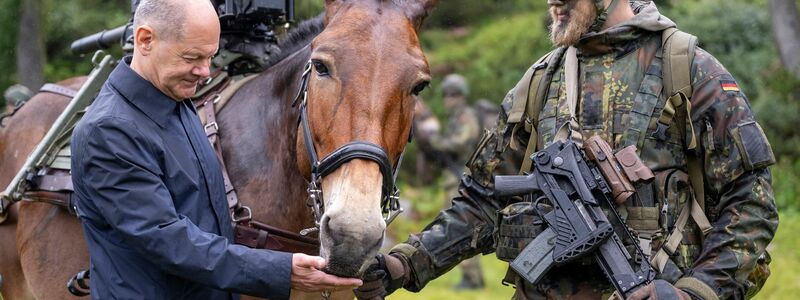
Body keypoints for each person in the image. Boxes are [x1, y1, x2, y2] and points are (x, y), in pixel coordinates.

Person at [355, 0, 778, 299]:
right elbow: (482, 200)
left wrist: (693, 292)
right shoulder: (540, 81)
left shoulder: (687, 69)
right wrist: (405, 264)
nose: (553, 1)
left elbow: (752, 206)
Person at [70, 0, 361, 299]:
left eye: (210, 56)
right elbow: (169, 241)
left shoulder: (175, 100)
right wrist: (280, 270)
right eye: (192, 57)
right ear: (145, 40)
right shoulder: (109, 132)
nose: (204, 71)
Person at [415, 73, 486, 290]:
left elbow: (460, 142)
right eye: (446, 96)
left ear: (459, 96)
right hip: (454, 178)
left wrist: (436, 141)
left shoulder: (466, 116)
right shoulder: (457, 117)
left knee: (458, 228)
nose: (447, 101)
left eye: (450, 96)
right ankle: (474, 278)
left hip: (460, 178)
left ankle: (471, 279)